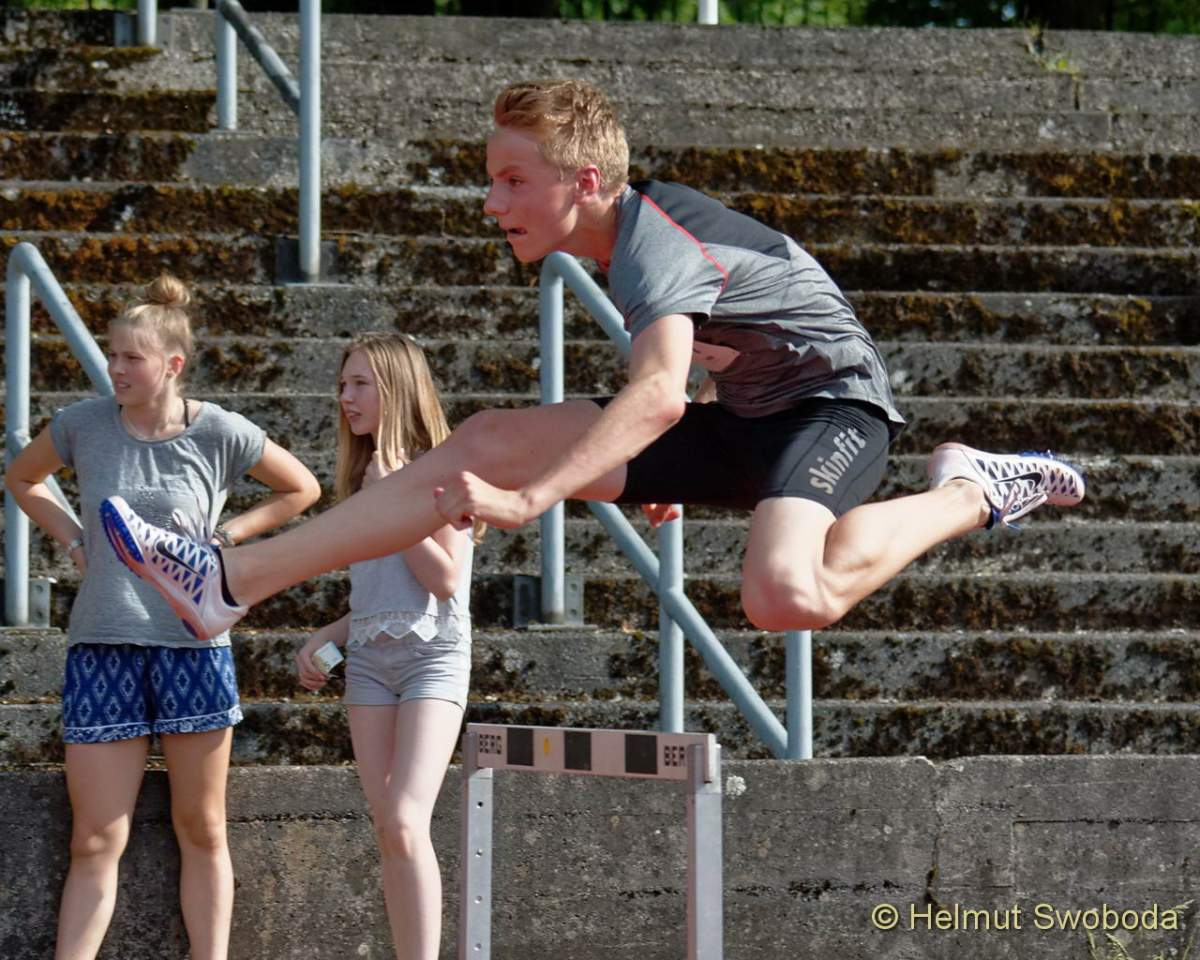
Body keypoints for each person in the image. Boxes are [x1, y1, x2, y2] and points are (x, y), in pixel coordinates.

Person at [97, 78, 1084, 648]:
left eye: (510, 180)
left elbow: (657, 393)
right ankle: (234, 579)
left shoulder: (653, 241)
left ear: (583, 181)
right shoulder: (629, 248)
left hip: (834, 413)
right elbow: (719, 347)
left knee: (783, 595)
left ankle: (971, 489)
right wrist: (658, 461)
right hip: (744, 417)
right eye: (490, 181)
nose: (492, 203)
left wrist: (537, 498)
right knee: (489, 437)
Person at [6, 274, 321, 960]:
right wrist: (74, 538)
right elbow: (22, 477)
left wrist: (228, 539)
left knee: (202, 828)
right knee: (94, 838)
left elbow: (302, 487)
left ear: (172, 364)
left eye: (131, 357)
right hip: (103, 644)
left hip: (194, 647)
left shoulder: (219, 431)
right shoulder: (83, 424)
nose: (115, 368)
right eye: (111, 354)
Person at [293, 333, 475, 960]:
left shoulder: (444, 470)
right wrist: (330, 636)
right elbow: (378, 595)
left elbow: (444, 580)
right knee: (388, 829)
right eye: (342, 384)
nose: (345, 397)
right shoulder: (360, 476)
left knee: (404, 818)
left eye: (360, 384)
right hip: (369, 661)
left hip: (434, 657)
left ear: (396, 389)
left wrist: (394, 499)